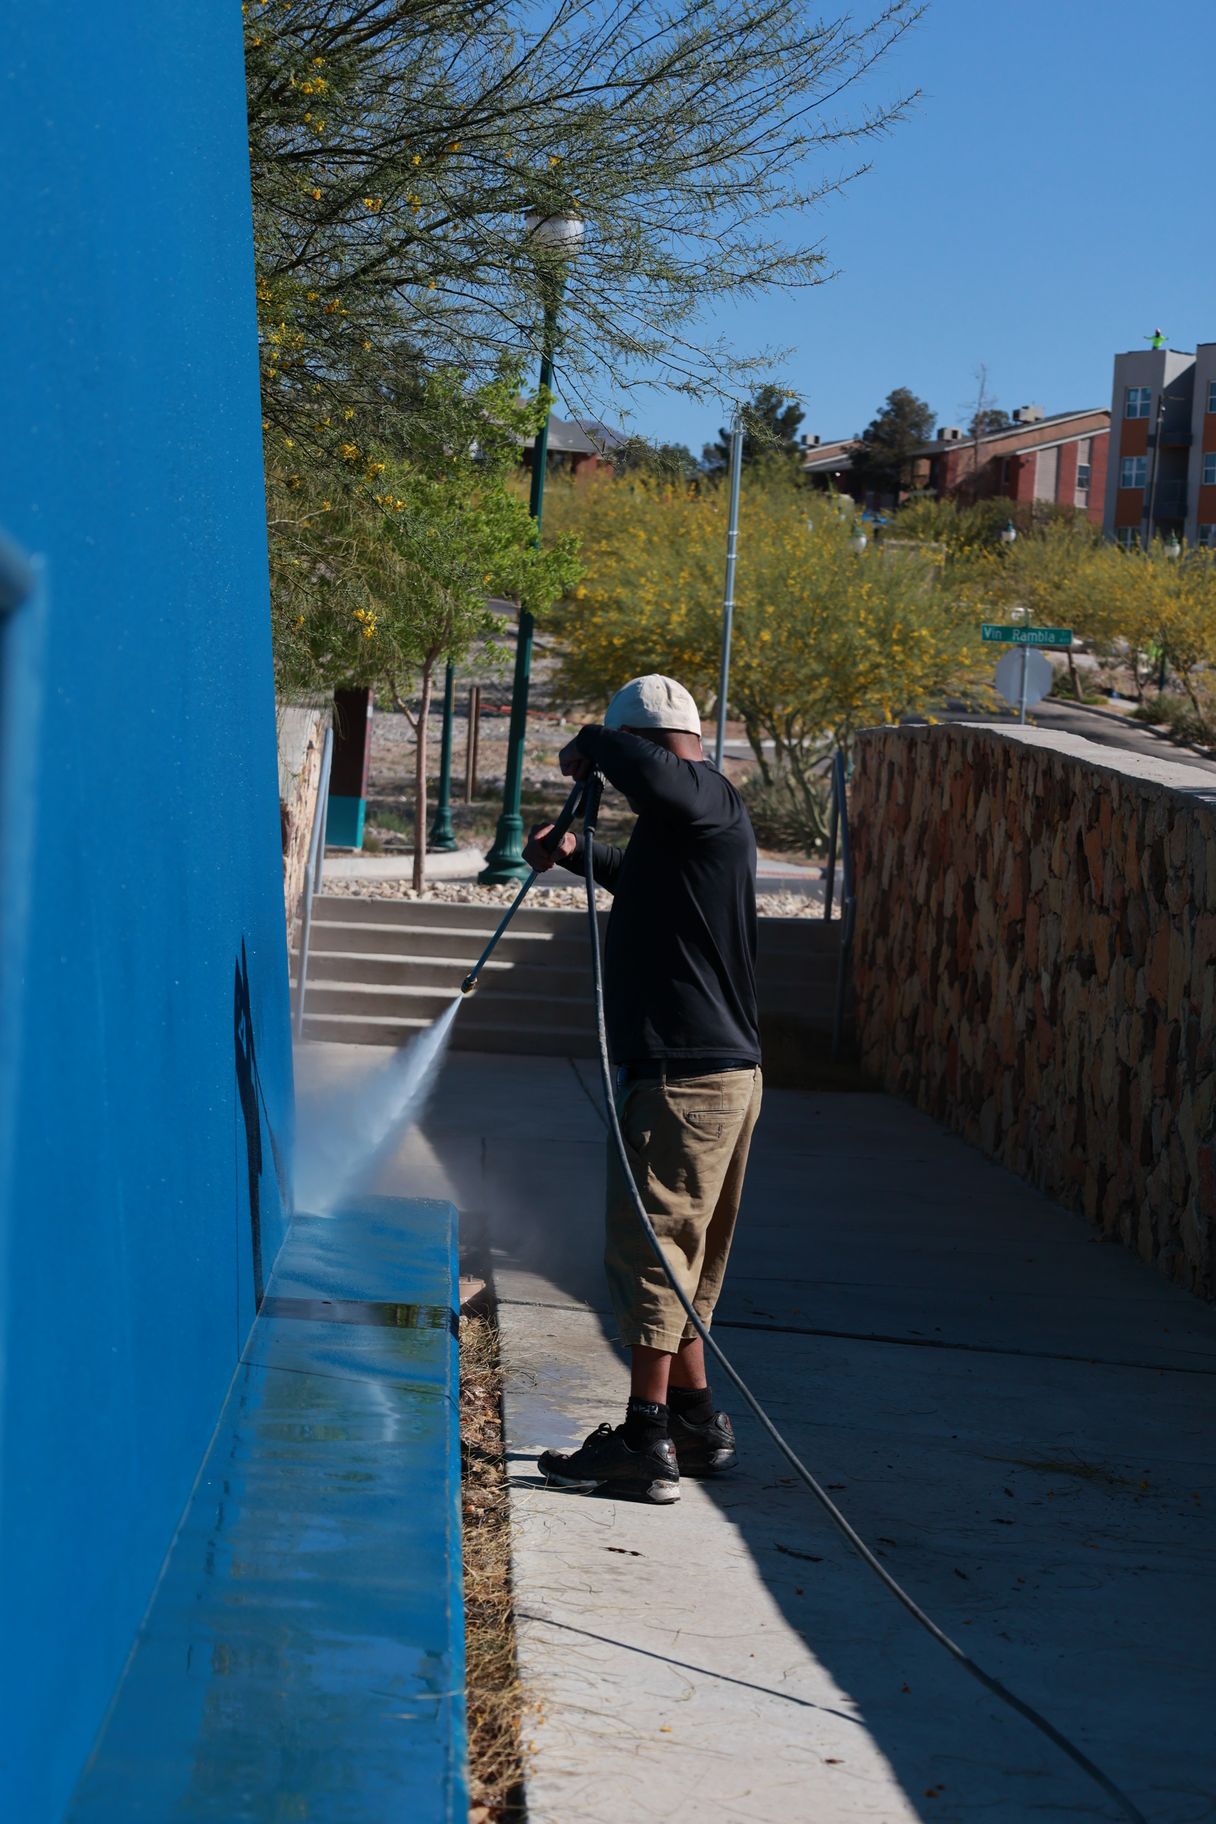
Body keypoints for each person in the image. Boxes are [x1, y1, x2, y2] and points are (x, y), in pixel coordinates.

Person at [523, 673, 762, 1506]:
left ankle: (644, 1437)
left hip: (686, 1079)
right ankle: (694, 1421)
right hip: (710, 1076)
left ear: (656, 746)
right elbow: (648, 883)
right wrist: (576, 853)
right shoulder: (689, 825)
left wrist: (592, 744)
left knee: (651, 1251)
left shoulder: (703, 794)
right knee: (682, 1259)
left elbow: (651, 769)